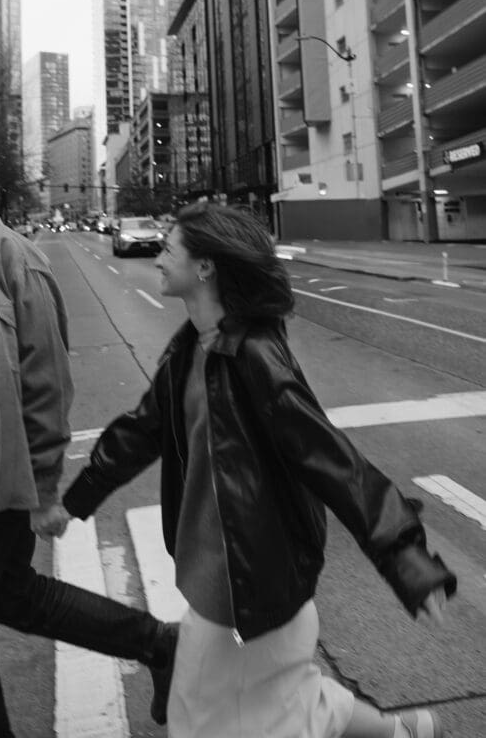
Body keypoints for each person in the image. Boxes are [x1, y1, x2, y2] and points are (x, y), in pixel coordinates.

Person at [62, 203, 457, 738]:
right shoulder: (190, 349)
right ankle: (402, 732)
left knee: (199, 720)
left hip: (251, 579)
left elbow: (335, 462)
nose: (157, 257)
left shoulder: (254, 356)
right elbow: (140, 431)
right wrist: (75, 500)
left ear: (205, 267)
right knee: (285, 696)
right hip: (219, 572)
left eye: (169, 248)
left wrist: (406, 559)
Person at [0, 144, 177, 738]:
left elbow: (48, 384)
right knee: (12, 596)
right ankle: (161, 646)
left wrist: (46, 489)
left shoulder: (14, 261)